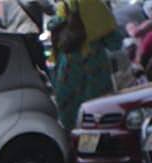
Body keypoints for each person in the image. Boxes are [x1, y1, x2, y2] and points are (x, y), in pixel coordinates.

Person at [49, 0, 123, 131]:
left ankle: (77, 144)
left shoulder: (64, 6)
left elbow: (55, 35)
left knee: (71, 119)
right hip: (96, 71)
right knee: (100, 115)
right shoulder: (98, 6)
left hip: (68, 71)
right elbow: (115, 43)